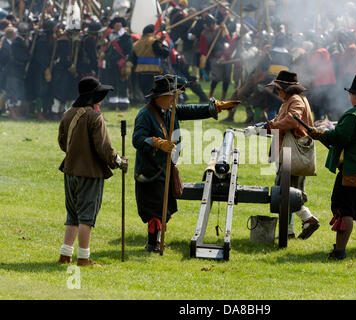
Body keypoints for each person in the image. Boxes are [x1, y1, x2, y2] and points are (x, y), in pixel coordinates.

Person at [132, 74, 239, 253]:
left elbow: (191, 110)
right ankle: (152, 244)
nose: (175, 99)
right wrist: (158, 143)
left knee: (164, 208)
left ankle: (156, 241)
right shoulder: (145, 114)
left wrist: (214, 107)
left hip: (165, 168)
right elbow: (137, 139)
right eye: (172, 96)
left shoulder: (169, 110)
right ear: (161, 97)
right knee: (155, 209)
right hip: (150, 170)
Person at [309, 72, 356, 260]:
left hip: (352, 169)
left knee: (345, 210)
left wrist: (320, 134)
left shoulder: (354, 114)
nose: (350, 97)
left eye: (351, 93)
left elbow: (340, 137)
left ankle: (339, 251)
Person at [57, 77, 128, 267]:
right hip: (90, 173)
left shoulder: (67, 114)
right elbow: (104, 148)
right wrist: (118, 161)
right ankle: (83, 258)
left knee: (72, 215)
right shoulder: (95, 117)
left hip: (69, 170)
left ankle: (65, 254)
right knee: (86, 217)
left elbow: (63, 143)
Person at [245, 70, 320, 240]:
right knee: (289, 192)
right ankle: (289, 231)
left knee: (284, 192)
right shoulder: (292, 100)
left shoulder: (295, 100)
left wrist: (267, 127)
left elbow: (292, 121)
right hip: (290, 150)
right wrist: (261, 128)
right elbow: (281, 122)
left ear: (286, 88)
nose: (276, 91)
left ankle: (309, 219)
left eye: (278, 88)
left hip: (292, 151)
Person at [131, 24, 168, 97]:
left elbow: (134, 59)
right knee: (153, 90)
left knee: (145, 91)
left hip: (140, 70)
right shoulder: (154, 42)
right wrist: (162, 43)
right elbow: (164, 53)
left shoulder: (136, 44)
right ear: (152, 32)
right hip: (153, 69)